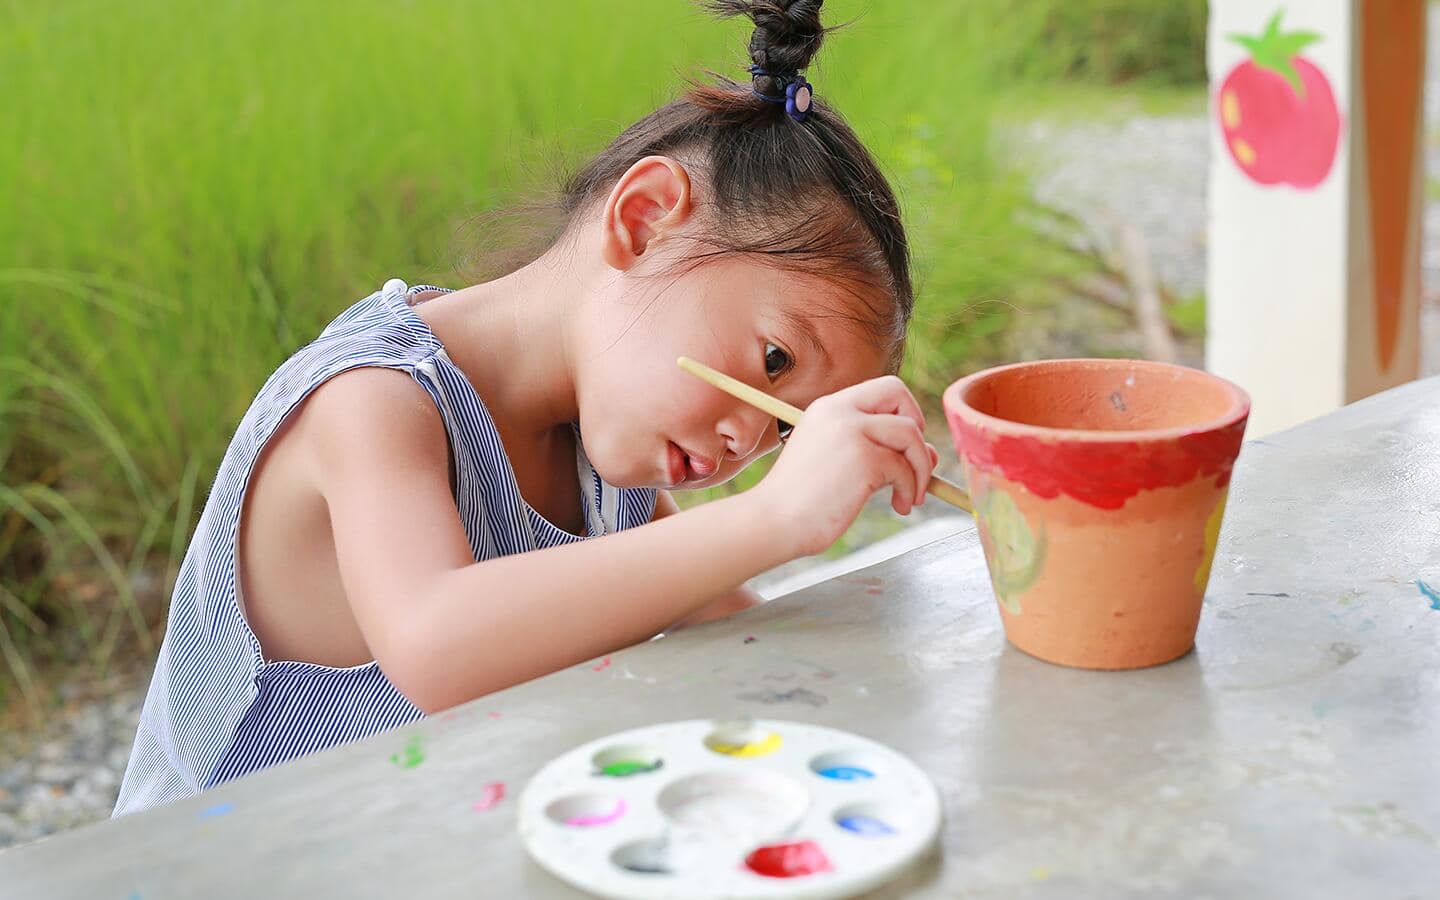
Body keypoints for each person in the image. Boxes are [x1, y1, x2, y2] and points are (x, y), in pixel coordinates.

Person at [114, 0, 937, 816]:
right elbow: (436, 646)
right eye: (771, 363)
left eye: (787, 428)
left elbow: (711, 616)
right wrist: (773, 519)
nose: (746, 437)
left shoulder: (603, 441)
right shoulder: (373, 399)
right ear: (645, 221)